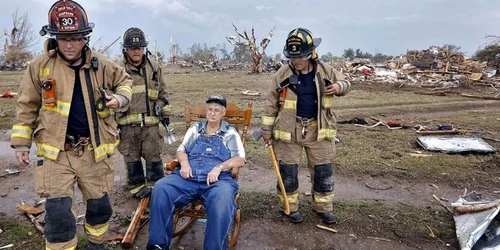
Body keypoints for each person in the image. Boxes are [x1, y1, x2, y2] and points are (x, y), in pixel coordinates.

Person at [9, 1, 133, 249]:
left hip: (94, 153)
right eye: (63, 38)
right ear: (54, 38)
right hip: (56, 153)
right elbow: (27, 105)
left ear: (85, 37)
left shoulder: (102, 64)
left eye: (75, 38)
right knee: (58, 213)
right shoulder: (39, 66)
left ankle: (97, 244)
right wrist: (21, 144)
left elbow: (125, 81)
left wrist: (119, 99)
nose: (69, 44)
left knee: (99, 207)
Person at [261, 27, 351, 224]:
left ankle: (324, 208)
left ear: (311, 53)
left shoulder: (326, 70)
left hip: (318, 130)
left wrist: (338, 87)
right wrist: (266, 130)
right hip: (287, 132)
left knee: (323, 171)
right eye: (293, 57)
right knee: (288, 173)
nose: (296, 61)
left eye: (300, 56)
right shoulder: (281, 74)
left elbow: (346, 83)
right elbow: (270, 103)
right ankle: (289, 207)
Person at [147, 94, 246, 250]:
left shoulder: (229, 133)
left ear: (223, 113)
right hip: (189, 177)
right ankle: (157, 244)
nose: (212, 113)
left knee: (222, 199)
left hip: (217, 181)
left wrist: (219, 167)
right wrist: (184, 164)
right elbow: (181, 150)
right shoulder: (196, 129)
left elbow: (240, 159)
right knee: (161, 187)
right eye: (210, 109)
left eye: (217, 110)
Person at [117, 27, 170, 189]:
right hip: (127, 127)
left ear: (144, 48)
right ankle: (137, 192)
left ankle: (157, 190)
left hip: (150, 127)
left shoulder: (154, 68)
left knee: (154, 158)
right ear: (126, 49)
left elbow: (163, 94)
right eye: (133, 48)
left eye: (139, 48)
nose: (136, 52)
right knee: (132, 160)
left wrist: (163, 112)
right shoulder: (117, 70)